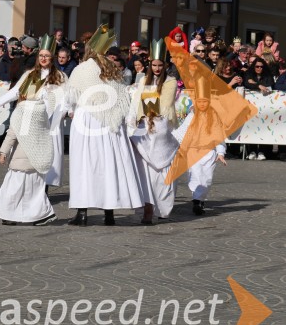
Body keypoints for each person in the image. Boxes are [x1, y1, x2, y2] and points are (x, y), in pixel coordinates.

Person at [65, 25, 144, 226]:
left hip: (87, 120)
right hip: (110, 126)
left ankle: (82, 213)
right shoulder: (111, 69)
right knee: (108, 166)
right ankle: (109, 214)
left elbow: (70, 97)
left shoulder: (81, 69)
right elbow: (123, 97)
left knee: (84, 166)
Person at [0, 35, 67, 188]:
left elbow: (67, 98)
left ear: (52, 58)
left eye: (47, 56)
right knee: (30, 154)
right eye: (41, 55)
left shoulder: (60, 77)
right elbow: (16, 92)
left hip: (51, 122)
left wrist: (64, 112)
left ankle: (44, 191)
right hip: (32, 120)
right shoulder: (30, 75)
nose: (43, 58)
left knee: (48, 156)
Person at [128, 41, 179, 224]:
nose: (157, 68)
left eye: (160, 65)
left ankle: (161, 206)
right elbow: (136, 101)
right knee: (145, 171)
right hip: (144, 126)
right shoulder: (142, 79)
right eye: (154, 65)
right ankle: (147, 206)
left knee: (161, 172)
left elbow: (165, 104)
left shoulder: (171, 81)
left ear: (165, 65)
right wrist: (134, 119)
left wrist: (151, 117)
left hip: (161, 126)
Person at [0, 99, 56, 226]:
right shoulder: (41, 110)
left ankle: (8, 214)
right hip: (36, 158)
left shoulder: (21, 111)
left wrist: (3, 152)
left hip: (20, 159)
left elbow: (12, 134)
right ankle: (39, 215)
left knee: (13, 189)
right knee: (35, 191)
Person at [172, 78, 227, 216]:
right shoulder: (191, 117)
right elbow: (181, 132)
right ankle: (196, 201)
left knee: (207, 178)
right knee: (195, 175)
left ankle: (201, 198)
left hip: (209, 152)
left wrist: (221, 153)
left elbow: (219, 136)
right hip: (193, 151)